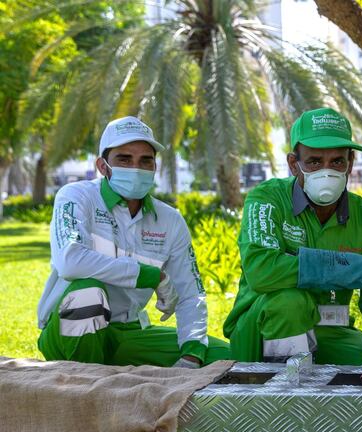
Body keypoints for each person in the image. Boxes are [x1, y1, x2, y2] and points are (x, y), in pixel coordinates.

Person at [37, 116, 230, 368]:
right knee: (87, 292)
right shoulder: (76, 197)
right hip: (66, 329)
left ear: (154, 167)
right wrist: (151, 276)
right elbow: (70, 262)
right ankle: (85, 386)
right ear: (103, 166)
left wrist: (191, 354)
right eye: (124, 159)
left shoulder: (169, 219)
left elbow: (190, 294)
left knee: (227, 357)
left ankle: (112, 370)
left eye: (145, 160)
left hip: (129, 333)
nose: (136, 168)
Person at [223, 108, 362, 364]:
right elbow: (260, 270)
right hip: (262, 329)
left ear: (350, 163)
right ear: (293, 164)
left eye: (337, 162)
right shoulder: (267, 200)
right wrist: (347, 266)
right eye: (314, 161)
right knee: (290, 302)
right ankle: (282, 390)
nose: (327, 171)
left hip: (331, 330)